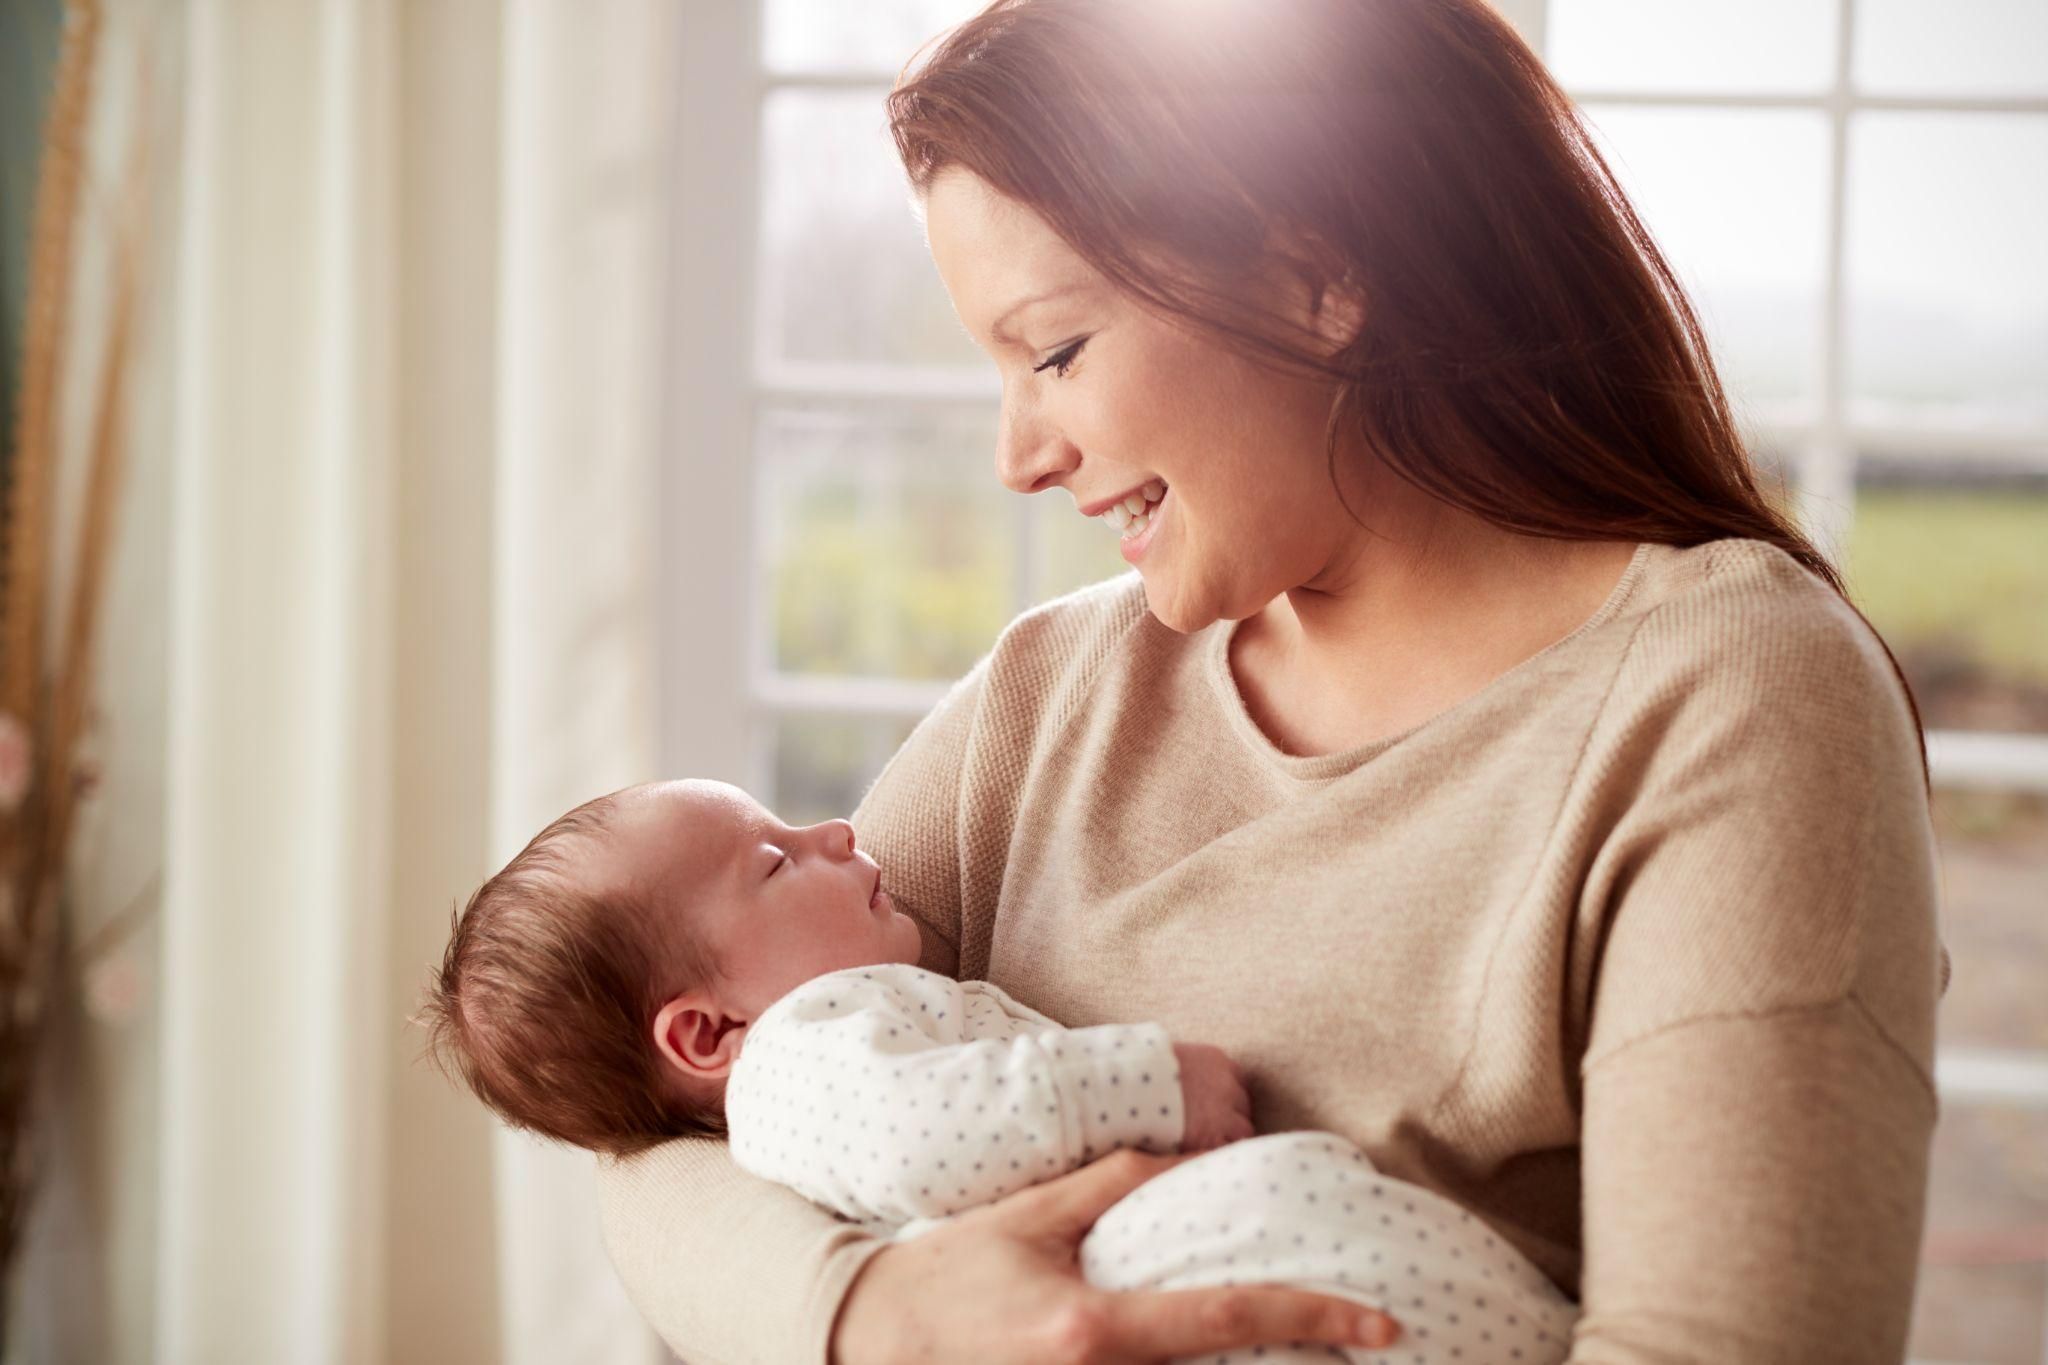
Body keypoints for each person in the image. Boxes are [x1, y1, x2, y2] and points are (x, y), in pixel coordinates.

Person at [598, 1, 1950, 1361]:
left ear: (1321, 279)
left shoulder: (1733, 706)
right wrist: (871, 1312)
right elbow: (661, 1128)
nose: (1019, 453)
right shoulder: (1054, 695)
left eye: (1055, 350)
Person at [420, 778, 1586, 1361]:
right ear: (705, 1037)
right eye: (774, 862)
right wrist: (1142, 1082)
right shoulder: (798, 1058)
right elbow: (924, 1138)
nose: (834, 835)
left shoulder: (820, 1022)